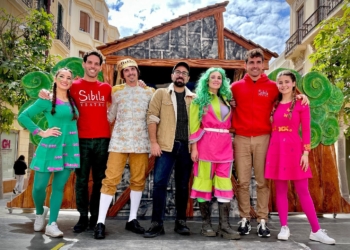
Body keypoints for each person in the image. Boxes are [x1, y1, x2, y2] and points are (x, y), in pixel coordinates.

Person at [231, 48, 309, 238]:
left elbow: (291, 96)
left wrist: (302, 96)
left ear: (264, 65)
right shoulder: (235, 87)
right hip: (240, 137)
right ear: (245, 65)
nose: (255, 66)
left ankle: (262, 220)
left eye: (259, 62)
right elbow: (215, 95)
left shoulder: (274, 86)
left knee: (262, 181)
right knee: (242, 181)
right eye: (251, 62)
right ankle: (244, 218)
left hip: (264, 138)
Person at [40, 51, 111, 232]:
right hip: (80, 140)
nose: (93, 66)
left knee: (99, 180)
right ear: (84, 64)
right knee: (80, 181)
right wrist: (46, 92)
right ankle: (82, 217)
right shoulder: (73, 86)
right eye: (90, 63)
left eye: (96, 63)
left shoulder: (106, 88)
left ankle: (96, 218)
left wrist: (141, 84)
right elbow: (58, 90)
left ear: (100, 67)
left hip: (103, 139)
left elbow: (121, 98)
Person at [265, 70, 335, 245]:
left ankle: (316, 230)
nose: (283, 85)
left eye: (287, 81)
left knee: (303, 190)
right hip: (276, 149)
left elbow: (306, 129)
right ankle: (284, 227)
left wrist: (305, 153)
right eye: (280, 82)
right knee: (280, 190)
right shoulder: (274, 105)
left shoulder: (301, 103)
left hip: (295, 150)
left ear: (294, 83)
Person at [93, 59, 154, 239]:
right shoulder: (116, 92)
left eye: (133, 69)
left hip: (141, 142)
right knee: (110, 180)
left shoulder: (150, 92)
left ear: (138, 72)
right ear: (122, 75)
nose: (130, 73)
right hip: (119, 142)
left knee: (138, 181)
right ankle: (100, 222)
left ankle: (132, 219)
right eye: (126, 71)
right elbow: (109, 116)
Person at [18, 68, 79, 237]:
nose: (65, 80)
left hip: (69, 148)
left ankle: (52, 223)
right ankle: (40, 212)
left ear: (72, 81)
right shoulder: (46, 99)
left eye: (69, 78)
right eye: (62, 77)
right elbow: (23, 116)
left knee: (58, 187)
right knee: (38, 187)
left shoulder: (72, 100)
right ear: (56, 78)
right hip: (49, 147)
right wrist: (41, 132)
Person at [143, 62, 195, 238]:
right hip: (166, 146)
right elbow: (152, 117)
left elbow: (198, 124)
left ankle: (181, 222)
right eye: (177, 72)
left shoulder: (193, 98)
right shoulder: (161, 93)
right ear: (172, 75)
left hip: (186, 147)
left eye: (184, 73)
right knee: (159, 184)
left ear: (188, 78)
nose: (180, 75)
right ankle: (157, 223)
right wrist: (153, 142)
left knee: (182, 186)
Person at [189, 67, 240, 240]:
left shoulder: (226, 98)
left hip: (225, 147)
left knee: (224, 185)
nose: (216, 80)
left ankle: (224, 226)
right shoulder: (199, 100)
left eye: (220, 77)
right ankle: (206, 225)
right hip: (206, 146)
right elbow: (194, 125)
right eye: (213, 77)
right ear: (207, 80)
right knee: (203, 183)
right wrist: (194, 147)